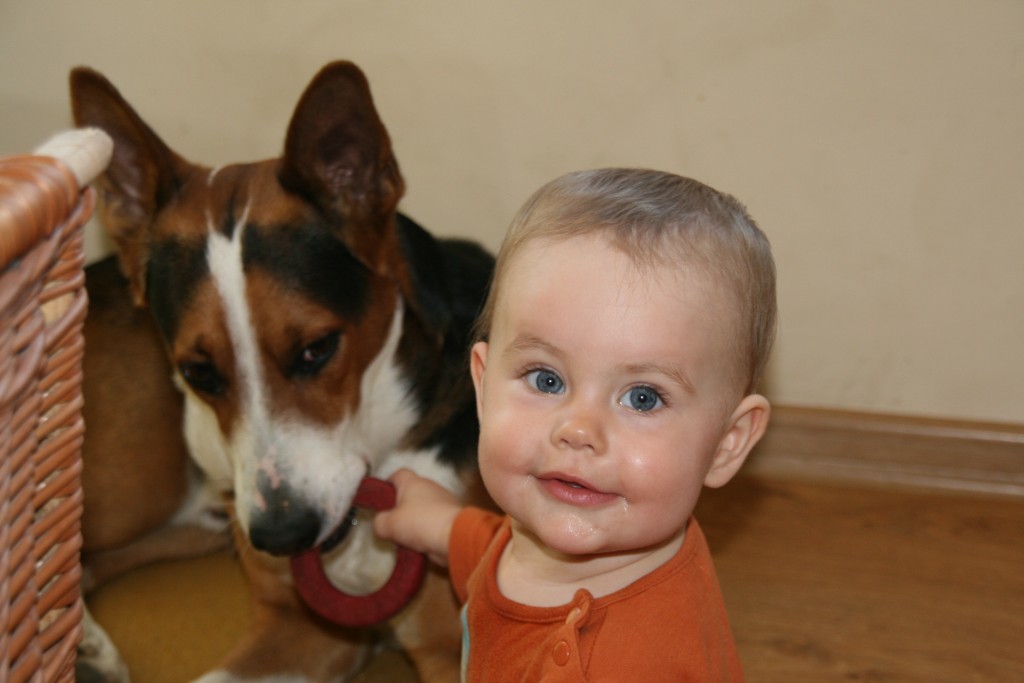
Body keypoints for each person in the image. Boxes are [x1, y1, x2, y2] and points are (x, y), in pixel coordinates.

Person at [374, 168, 777, 681]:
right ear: (482, 386)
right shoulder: (594, 538)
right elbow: (514, 551)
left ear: (726, 444)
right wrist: (443, 526)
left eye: (643, 398)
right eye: (546, 380)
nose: (579, 429)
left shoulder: (625, 667)